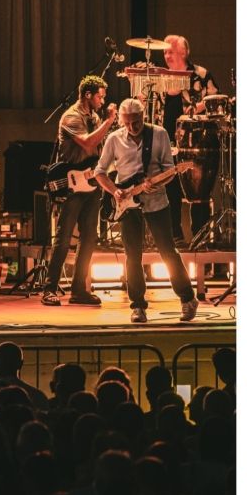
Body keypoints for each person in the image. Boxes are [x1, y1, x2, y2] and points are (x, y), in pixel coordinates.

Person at [95, 96, 197, 324]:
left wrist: (155, 183)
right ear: (121, 120)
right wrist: (114, 191)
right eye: (126, 123)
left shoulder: (159, 134)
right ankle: (138, 306)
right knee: (132, 257)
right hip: (127, 204)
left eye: (136, 123)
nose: (131, 128)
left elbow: (170, 171)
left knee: (167, 252)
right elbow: (100, 171)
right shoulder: (114, 139)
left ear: (143, 117)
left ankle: (187, 298)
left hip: (156, 202)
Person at [44, 74, 118, 307]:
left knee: (89, 238)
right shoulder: (71, 117)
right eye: (100, 96)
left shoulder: (94, 117)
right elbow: (86, 143)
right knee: (64, 238)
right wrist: (108, 123)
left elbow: (98, 149)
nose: (102, 102)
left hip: (91, 184)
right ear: (88, 95)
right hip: (71, 183)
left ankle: (78, 290)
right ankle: (49, 288)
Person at [161, 33, 219, 241]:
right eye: (165, 52)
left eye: (171, 52)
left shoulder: (201, 75)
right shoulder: (160, 78)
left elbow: (215, 103)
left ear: (183, 53)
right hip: (166, 141)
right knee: (170, 188)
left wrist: (199, 107)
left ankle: (200, 236)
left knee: (198, 191)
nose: (166, 56)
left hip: (195, 142)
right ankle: (173, 235)